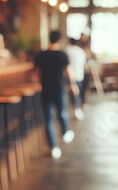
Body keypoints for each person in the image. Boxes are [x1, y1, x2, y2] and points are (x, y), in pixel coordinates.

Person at [35, 30, 79, 159]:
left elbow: (35, 73)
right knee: (62, 112)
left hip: (45, 89)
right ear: (59, 40)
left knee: (48, 119)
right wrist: (73, 85)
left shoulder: (41, 55)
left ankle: (53, 147)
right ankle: (65, 133)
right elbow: (68, 71)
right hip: (59, 88)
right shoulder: (62, 55)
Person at [66, 37, 87, 120]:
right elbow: (85, 64)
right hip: (80, 75)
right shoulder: (81, 51)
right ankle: (77, 109)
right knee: (77, 93)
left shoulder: (68, 50)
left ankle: (75, 110)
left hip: (70, 75)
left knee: (73, 94)